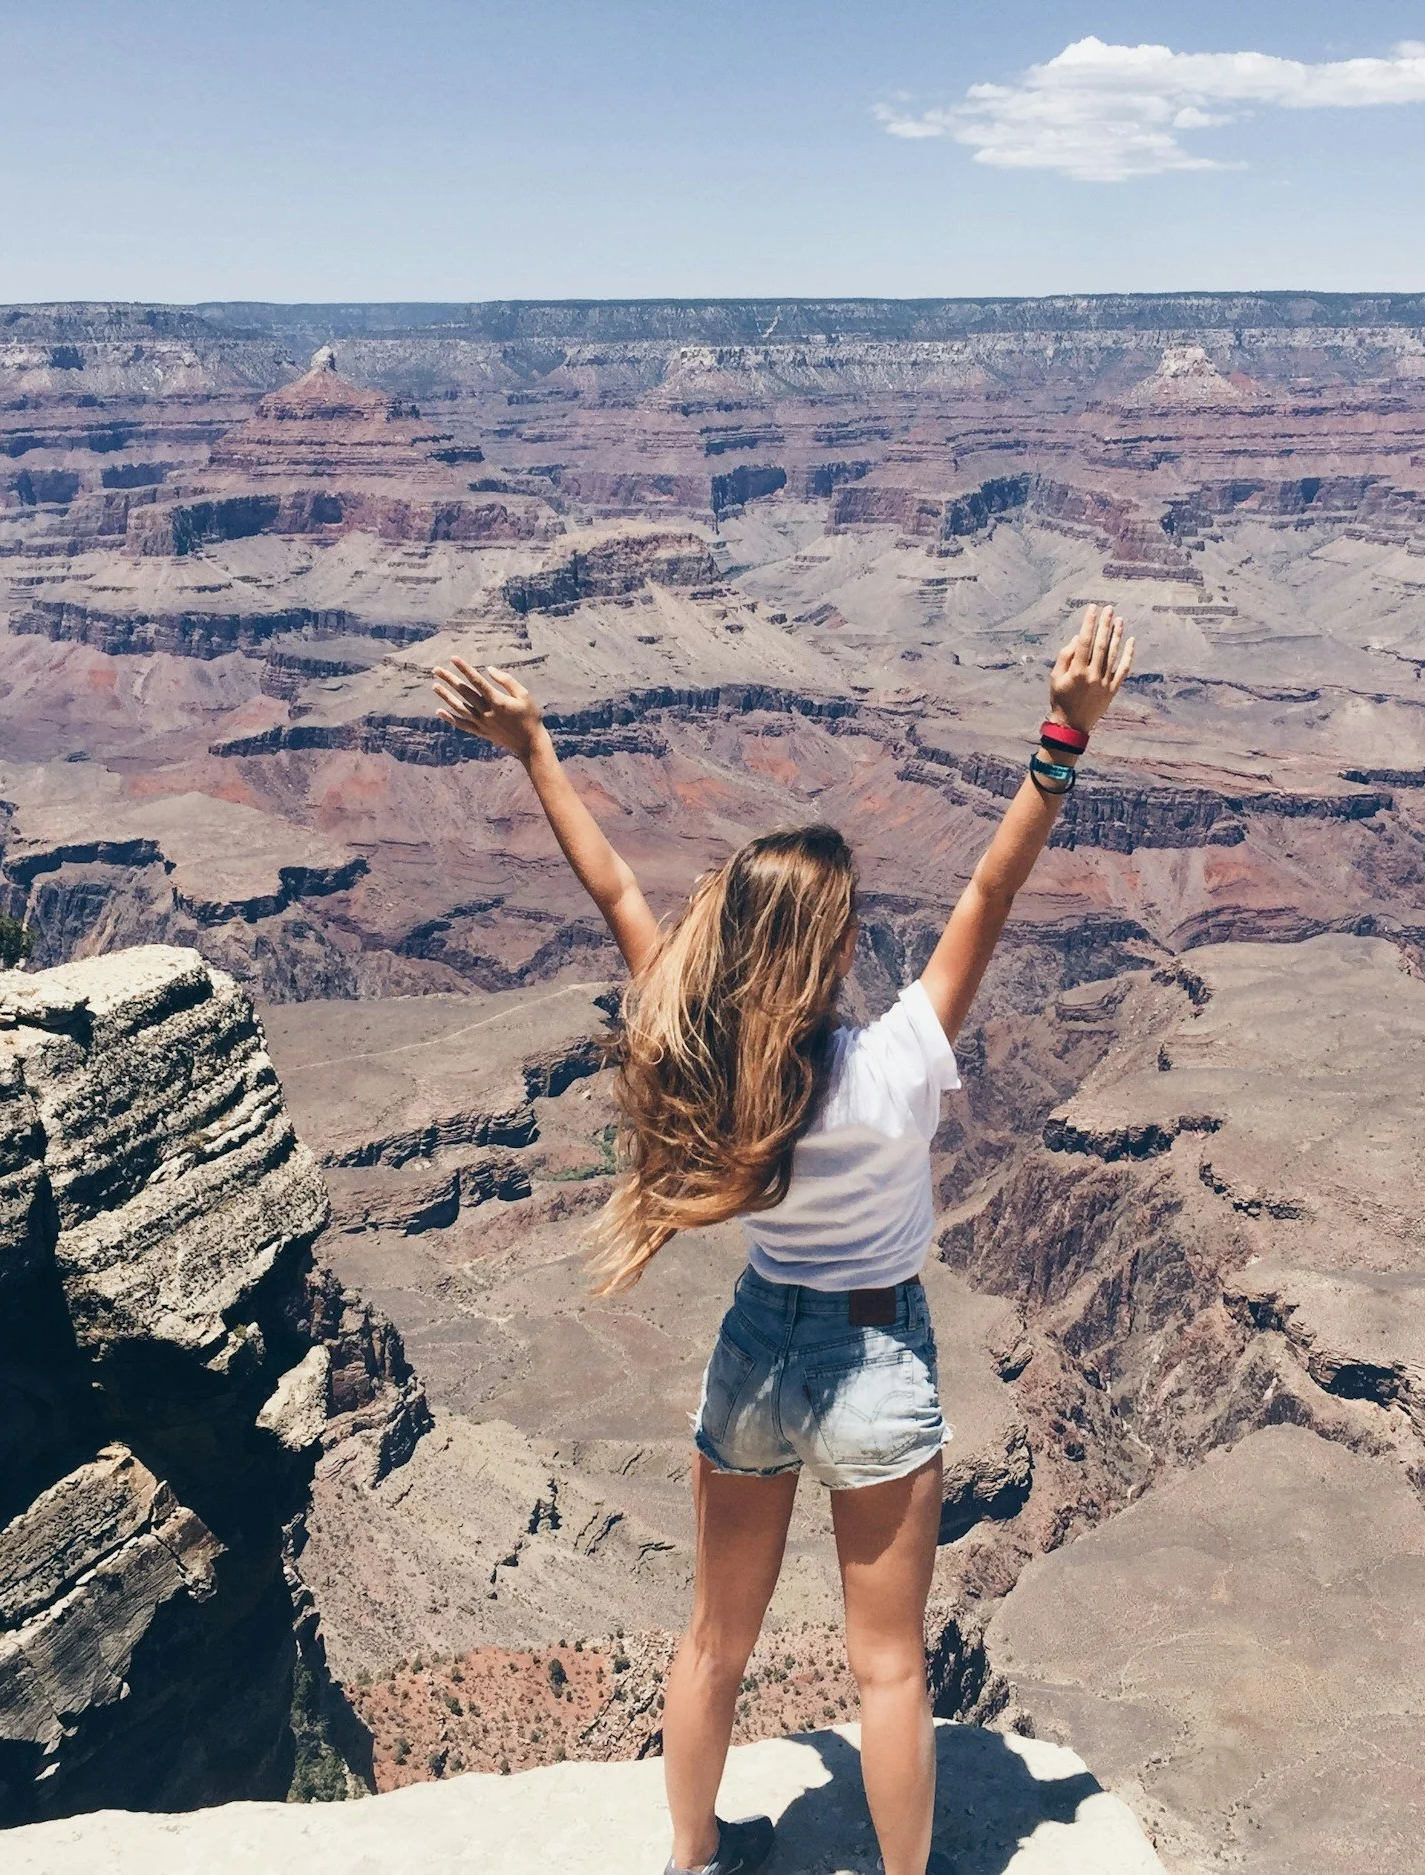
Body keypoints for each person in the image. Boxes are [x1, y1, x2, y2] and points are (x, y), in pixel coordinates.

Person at [432, 606, 1137, 1875]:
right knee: (888, 1669)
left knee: (714, 1640)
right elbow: (993, 883)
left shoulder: (699, 1060)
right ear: (839, 949)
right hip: (878, 1359)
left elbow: (613, 888)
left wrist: (532, 747)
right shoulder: (901, 1063)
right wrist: (1063, 736)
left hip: (755, 1349)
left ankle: (693, 1858)